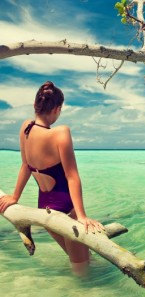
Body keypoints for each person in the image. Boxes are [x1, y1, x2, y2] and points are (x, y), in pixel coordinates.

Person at [0, 81, 104, 276]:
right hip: (67, 210)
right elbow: (72, 176)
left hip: (45, 209)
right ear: (57, 109)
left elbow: (25, 166)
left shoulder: (26, 128)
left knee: (86, 260)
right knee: (83, 275)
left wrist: (15, 197)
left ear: (35, 105)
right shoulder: (60, 133)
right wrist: (81, 216)